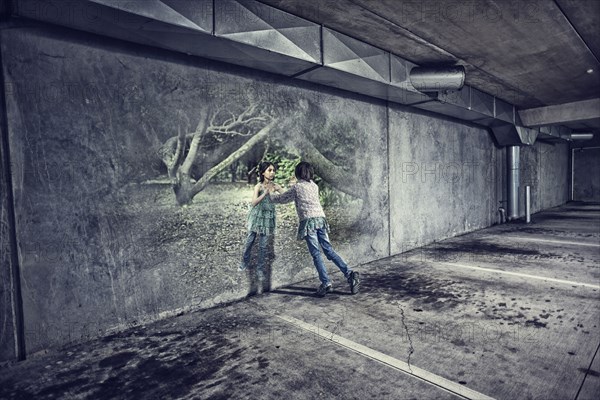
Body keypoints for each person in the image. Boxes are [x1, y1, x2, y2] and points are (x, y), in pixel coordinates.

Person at [270, 161, 360, 297]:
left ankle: (326, 283)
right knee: (328, 250)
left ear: (298, 173)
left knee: (316, 254)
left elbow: (283, 198)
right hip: (320, 220)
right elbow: (294, 196)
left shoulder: (296, 188)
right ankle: (350, 274)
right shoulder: (314, 186)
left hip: (309, 222)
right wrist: (280, 188)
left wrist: (268, 195)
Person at [239, 162, 282, 282]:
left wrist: (285, 191)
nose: (272, 172)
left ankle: (260, 269)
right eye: (269, 170)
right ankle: (244, 261)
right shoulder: (258, 186)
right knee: (250, 240)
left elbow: (286, 197)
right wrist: (265, 193)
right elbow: (253, 202)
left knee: (263, 246)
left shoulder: (275, 186)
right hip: (257, 216)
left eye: (273, 170)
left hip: (268, 217)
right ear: (263, 172)